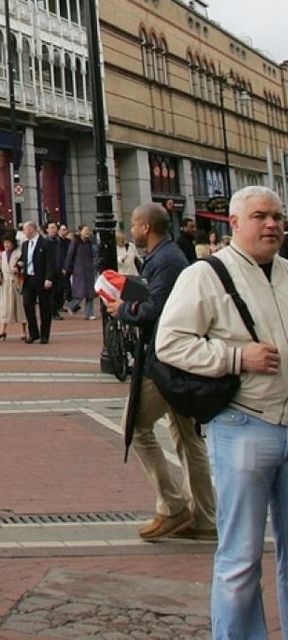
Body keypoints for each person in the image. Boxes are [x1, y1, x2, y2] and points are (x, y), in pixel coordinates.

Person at [155, 187, 288, 638]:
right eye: (260, 216)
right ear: (234, 223)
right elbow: (169, 342)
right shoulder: (205, 275)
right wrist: (236, 358)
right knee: (241, 558)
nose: (271, 224)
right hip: (244, 422)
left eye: (277, 216)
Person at [103, 202, 216, 543]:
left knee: (135, 426)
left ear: (146, 227)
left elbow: (159, 310)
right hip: (177, 360)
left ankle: (173, 506)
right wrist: (128, 286)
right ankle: (205, 516)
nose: (132, 229)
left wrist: (124, 309)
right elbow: (158, 294)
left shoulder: (166, 259)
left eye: (135, 225)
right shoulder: (167, 257)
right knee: (187, 438)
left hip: (164, 360)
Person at [19, 220, 55, 344]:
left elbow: (50, 262)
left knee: (45, 307)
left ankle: (45, 334)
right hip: (29, 279)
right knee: (27, 304)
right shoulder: (24, 245)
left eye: (25, 229)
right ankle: (33, 333)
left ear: (32, 229)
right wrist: (19, 264)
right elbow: (23, 258)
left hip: (42, 278)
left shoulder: (45, 243)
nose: (24, 232)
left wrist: (49, 278)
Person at [0, 235, 26, 341]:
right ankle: (2, 330)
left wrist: (19, 270)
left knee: (20, 307)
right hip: (5, 284)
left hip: (17, 283)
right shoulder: (1, 255)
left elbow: (25, 266)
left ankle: (23, 331)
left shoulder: (19, 253)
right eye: (5, 243)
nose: (6, 245)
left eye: (8, 242)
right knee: (4, 307)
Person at [66, 225, 99, 319]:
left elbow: (95, 254)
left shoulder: (91, 242)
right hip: (79, 269)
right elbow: (70, 254)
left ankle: (90, 314)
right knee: (80, 292)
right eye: (85, 230)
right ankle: (72, 305)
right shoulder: (75, 242)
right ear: (80, 232)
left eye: (88, 230)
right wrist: (67, 267)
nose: (87, 232)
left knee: (90, 293)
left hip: (89, 269)